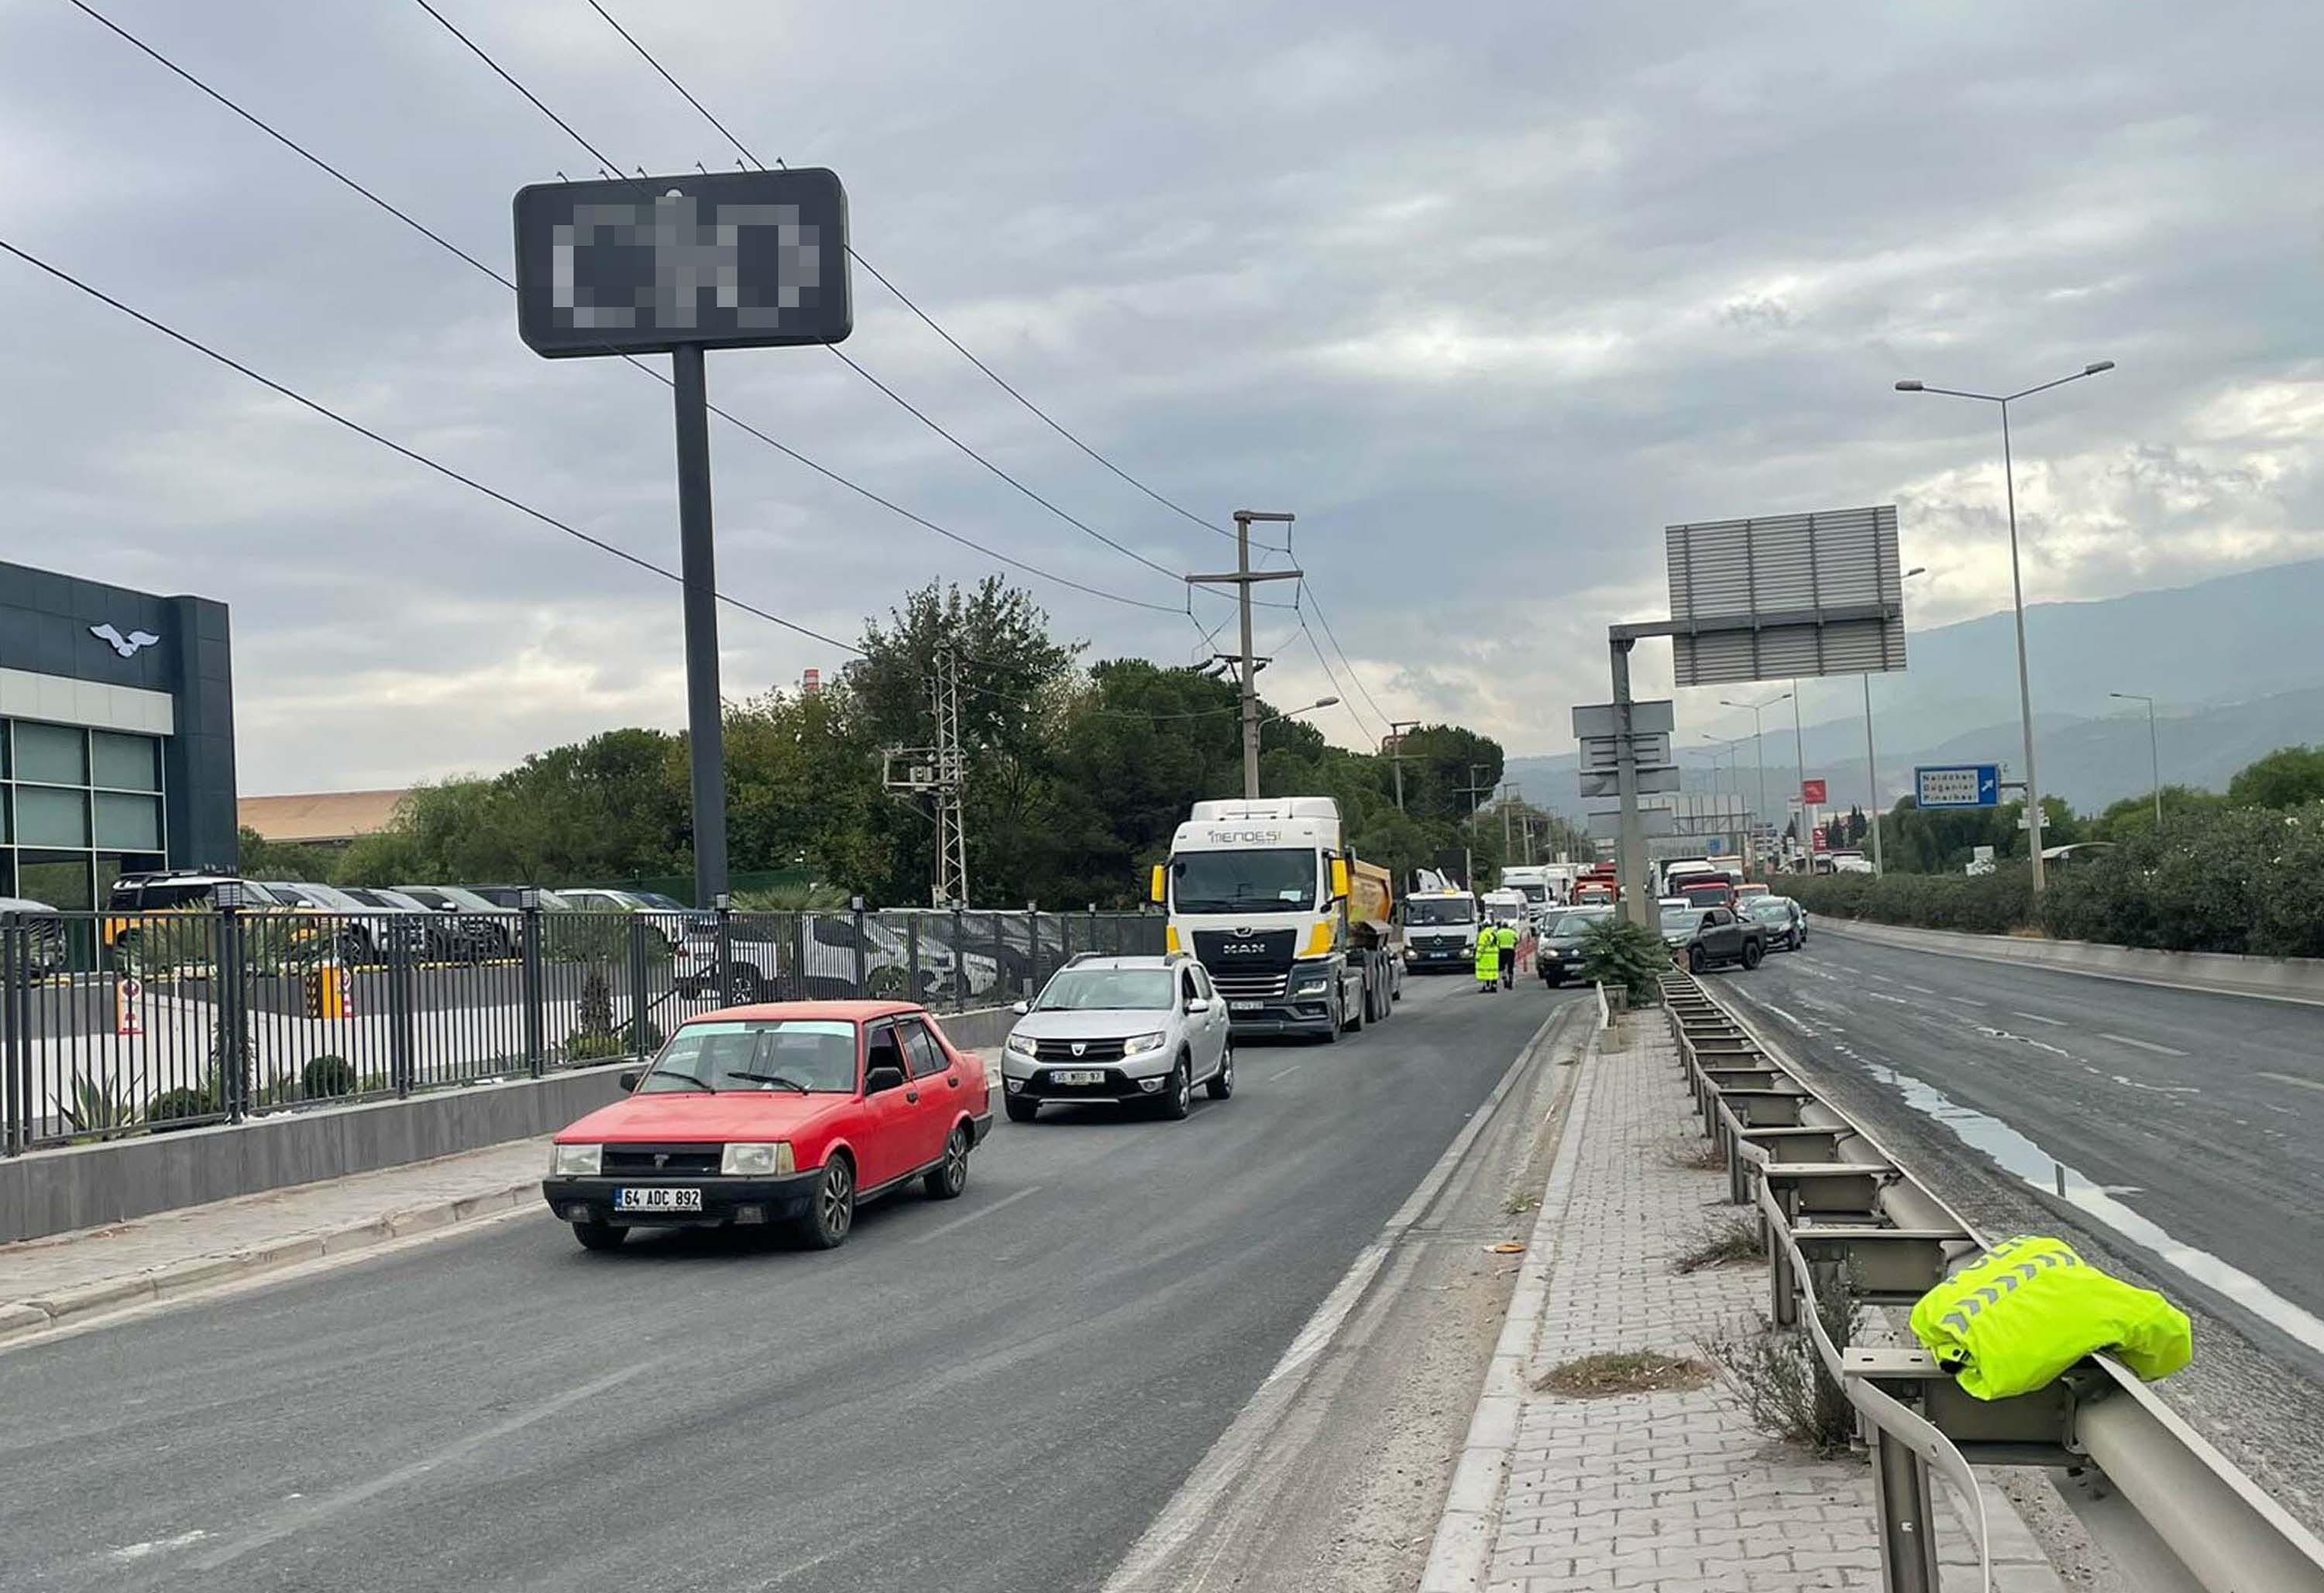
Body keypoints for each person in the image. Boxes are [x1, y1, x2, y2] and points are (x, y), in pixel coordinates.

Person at [1473, 926, 1501, 994]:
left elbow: (1481, 946)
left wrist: (1478, 956)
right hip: (1494, 956)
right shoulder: (1495, 934)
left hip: (1486, 956)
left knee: (1486, 972)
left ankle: (1486, 987)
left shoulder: (1483, 934)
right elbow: (1498, 944)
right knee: (1493, 972)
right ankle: (1494, 986)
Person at [1497, 918, 1521, 988]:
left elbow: (1496, 941)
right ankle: (1511, 981)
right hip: (1510, 950)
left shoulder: (1499, 932)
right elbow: (1517, 939)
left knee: (1502, 967)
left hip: (1501, 950)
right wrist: (1514, 945)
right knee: (1510, 967)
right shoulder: (1512, 932)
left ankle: (1505, 980)